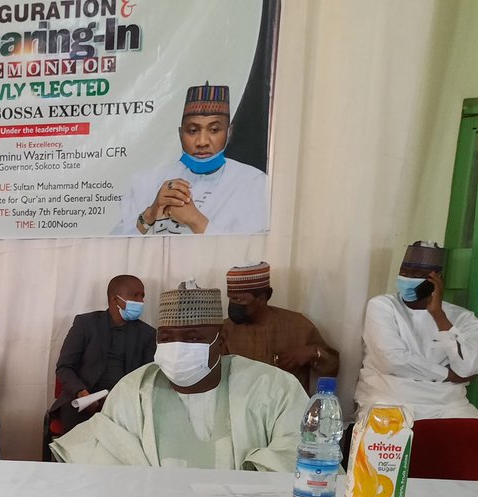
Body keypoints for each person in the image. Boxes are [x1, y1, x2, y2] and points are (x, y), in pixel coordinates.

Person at [51, 282, 308, 470]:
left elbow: (297, 455)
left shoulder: (272, 387)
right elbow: (106, 455)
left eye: (193, 338)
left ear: (222, 340)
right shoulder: (134, 389)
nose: (178, 347)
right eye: (167, 338)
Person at [355, 242, 478, 420]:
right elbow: (392, 361)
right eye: (404, 272)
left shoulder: (464, 318)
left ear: (436, 279)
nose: (407, 278)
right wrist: (448, 374)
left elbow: (468, 368)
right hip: (389, 398)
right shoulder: (383, 305)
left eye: (417, 274)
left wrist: (438, 315)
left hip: (447, 404)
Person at [114, 84, 268, 236]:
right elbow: (111, 249)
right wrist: (150, 214)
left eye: (214, 130)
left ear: (229, 133)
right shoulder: (145, 182)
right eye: (193, 131)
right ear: (181, 134)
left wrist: (195, 220)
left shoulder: (253, 182)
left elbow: (253, 252)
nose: (202, 142)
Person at [49, 274, 156, 436]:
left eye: (142, 296)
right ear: (115, 299)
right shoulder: (85, 324)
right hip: (83, 399)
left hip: (124, 404)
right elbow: (64, 367)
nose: (141, 302)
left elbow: (147, 376)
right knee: (80, 444)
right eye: (135, 296)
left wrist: (121, 399)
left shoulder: (147, 334)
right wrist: (81, 392)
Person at [221, 261, 339, 391]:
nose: (233, 305)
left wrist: (312, 352)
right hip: (240, 405)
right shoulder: (226, 329)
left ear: (261, 298)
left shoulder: (297, 325)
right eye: (231, 299)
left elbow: (332, 366)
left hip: (291, 407)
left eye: (239, 300)